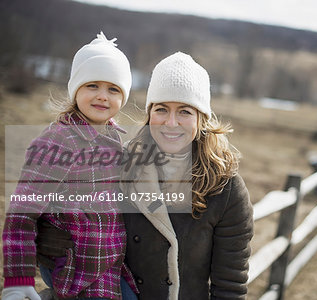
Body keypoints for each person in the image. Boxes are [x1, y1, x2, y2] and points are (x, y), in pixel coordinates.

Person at [36, 52, 254, 299]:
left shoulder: (225, 188)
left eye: (184, 111)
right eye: (161, 109)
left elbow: (230, 286)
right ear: (150, 114)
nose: (171, 123)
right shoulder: (120, 164)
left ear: (201, 117)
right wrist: (52, 241)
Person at [2, 32, 138, 300]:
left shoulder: (114, 140)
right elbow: (21, 214)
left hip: (109, 266)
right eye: (92, 86)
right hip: (73, 270)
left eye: (113, 89)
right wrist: (18, 278)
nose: (102, 96)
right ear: (76, 89)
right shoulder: (57, 141)